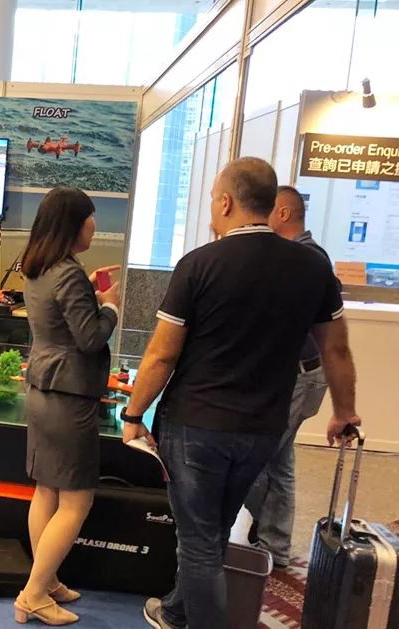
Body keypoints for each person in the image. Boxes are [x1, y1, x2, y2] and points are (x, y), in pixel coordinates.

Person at [122, 158, 360, 629]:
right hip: (262, 428)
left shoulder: (199, 264)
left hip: (196, 426)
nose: (212, 207)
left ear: (227, 202)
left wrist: (133, 415)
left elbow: (162, 355)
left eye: (213, 199)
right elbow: (335, 349)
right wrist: (344, 412)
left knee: (199, 544)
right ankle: (175, 611)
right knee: (214, 530)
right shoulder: (312, 267)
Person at [14, 187, 121, 626]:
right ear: (73, 224)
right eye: (91, 217)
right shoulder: (68, 274)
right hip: (69, 396)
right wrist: (110, 306)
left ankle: (46, 579)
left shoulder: (38, 266)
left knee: (46, 491)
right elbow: (90, 337)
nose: (95, 225)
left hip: (43, 388)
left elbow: (60, 319)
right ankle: (34, 594)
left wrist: (89, 292)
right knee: (76, 501)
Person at [244, 185, 338, 569]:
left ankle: (256, 538)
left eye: (267, 211)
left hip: (298, 376)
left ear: (283, 213)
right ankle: (275, 546)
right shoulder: (306, 256)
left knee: (253, 460)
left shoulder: (304, 258)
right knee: (279, 462)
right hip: (300, 373)